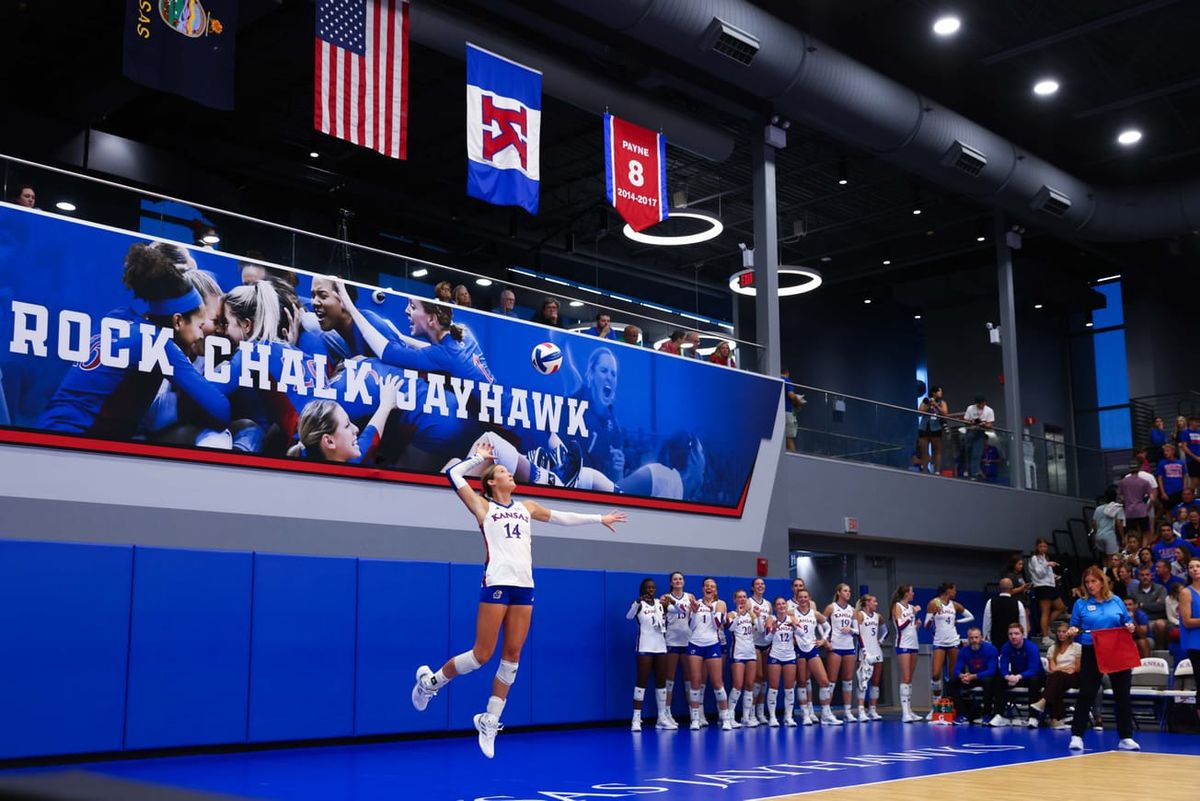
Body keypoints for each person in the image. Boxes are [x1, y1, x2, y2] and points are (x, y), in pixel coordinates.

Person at [410, 440, 625, 758]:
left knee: (512, 657)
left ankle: (489, 719)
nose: (508, 472)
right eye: (500, 471)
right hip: (497, 583)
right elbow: (453, 475)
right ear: (491, 482)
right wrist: (477, 458)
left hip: (524, 587)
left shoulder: (527, 507)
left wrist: (599, 519)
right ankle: (430, 682)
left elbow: (562, 517)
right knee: (482, 655)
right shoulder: (483, 508)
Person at [37, 243, 230, 438]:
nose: (200, 334)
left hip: (47, 429)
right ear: (178, 320)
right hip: (75, 440)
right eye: (199, 325)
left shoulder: (118, 317)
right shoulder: (155, 342)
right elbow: (221, 411)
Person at [1067, 565, 1140, 752]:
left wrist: (1130, 625)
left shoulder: (1116, 600)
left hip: (1116, 649)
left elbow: (1126, 621)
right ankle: (1077, 736)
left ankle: (1126, 737)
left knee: (1122, 694)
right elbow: (1074, 626)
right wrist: (1072, 630)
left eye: (1094, 581)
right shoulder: (1080, 604)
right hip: (1092, 650)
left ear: (1102, 582)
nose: (1090, 585)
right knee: (1086, 694)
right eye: (1087, 582)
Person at [291, 378, 400, 464]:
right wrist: (385, 405)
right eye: (347, 425)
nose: (356, 429)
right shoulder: (355, 462)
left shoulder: (346, 455)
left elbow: (369, 436)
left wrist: (386, 405)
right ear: (329, 441)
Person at [685, 578, 732, 730]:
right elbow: (691, 627)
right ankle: (695, 718)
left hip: (712, 644)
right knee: (696, 682)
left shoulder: (720, 604)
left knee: (717, 682)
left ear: (716, 590)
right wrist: (693, 611)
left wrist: (714, 610)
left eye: (712, 586)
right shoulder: (695, 603)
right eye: (706, 586)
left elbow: (718, 625)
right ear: (702, 588)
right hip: (695, 644)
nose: (709, 588)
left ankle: (725, 718)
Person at [626, 578, 672, 732]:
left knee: (661, 682)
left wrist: (671, 602)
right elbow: (629, 616)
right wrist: (637, 602)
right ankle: (636, 718)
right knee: (641, 682)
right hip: (645, 647)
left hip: (660, 647)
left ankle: (661, 717)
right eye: (647, 588)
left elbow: (680, 612)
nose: (650, 590)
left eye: (653, 588)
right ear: (643, 589)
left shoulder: (660, 603)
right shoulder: (639, 604)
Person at [924, 582, 974, 720]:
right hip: (939, 642)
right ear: (948, 590)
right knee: (935, 674)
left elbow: (971, 616)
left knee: (953, 676)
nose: (955, 592)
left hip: (953, 642)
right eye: (954, 590)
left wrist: (957, 622)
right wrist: (933, 615)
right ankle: (935, 706)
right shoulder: (934, 603)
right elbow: (926, 625)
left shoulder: (955, 605)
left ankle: (952, 707)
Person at [791, 588, 839, 725]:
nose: (803, 599)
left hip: (812, 649)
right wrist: (791, 639)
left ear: (809, 598)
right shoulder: (791, 613)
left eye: (805, 597)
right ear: (796, 598)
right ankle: (806, 714)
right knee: (802, 681)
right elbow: (785, 625)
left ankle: (825, 714)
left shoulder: (815, 614)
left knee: (824, 681)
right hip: (799, 649)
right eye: (800, 597)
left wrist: (823, 640)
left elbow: (828, 627)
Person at [987, 622, 1044, 727]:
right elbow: (1003, 666)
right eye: (1010, 634)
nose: (1013, 636)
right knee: (999, 678)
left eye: (1016, 633)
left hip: (1034, 676)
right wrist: (1007, 676)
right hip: (1016, 676)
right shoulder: (1006, 647)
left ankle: (1033, 717)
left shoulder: (1031, 647)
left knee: (1034, 680)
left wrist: (1018, 677)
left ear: (1022, 635)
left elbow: (1033, 669)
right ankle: (998, 715)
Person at [1028, 622, 1081, 729]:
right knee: (1056, 681)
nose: (1061, 634)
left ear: (1069, 633)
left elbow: (1077, 668)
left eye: (1064, 632)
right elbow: (1053, 668)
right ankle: (1055, 720)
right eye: (1059, 632)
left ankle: (1043, 702)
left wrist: (1061, 669)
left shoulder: (1077, 647)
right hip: (1058, 677)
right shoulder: (1052, 648)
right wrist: (1065, 669)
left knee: (1055, 679)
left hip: (1073, 678)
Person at [725, 589, 763, 727]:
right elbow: (730, 629)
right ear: (735, 600)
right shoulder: (731, 614)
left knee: (749, 685)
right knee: (737, 685)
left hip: (751, 653)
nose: (742, 599)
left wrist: (758, 617)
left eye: (744, 597)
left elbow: (760, 630)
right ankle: (729, 716)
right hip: (738, 653)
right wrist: (738, 616)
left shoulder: (751, 615)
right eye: (739, 597)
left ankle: (746, 717)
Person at [823, 583, 860, 722]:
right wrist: (825, 640)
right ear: (839, 592)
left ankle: (847, 711)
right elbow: (820, 623)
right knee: (831, 680)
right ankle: (826, 712)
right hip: (835, 647)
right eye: (845, 591)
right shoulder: (831, 607)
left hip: (849, 647)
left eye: (849, 591)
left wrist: (850, 629)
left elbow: (857, 631)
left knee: (848, 680)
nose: (848, 593)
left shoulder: (852, 610)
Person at [659, 571, 693, 723]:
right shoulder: (665, 598)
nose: (678, 581)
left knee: (689, 678)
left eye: (680, 579)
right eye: (675, 579)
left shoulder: (690, 597)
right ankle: (666, 713)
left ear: (684, 582)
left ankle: (694, 712)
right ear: (671, 582)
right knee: (669, 679)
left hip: (688, 641)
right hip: (672, 641)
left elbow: (691, 613)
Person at [945, 627, 998, 724]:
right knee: (952, 681)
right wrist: (962, 676)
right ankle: (962, 714)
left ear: (981, 637)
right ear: (968, 639)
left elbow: (991, 671)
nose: (974, 640)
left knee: (989, 681)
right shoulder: (964, 651)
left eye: (976, 637)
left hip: (986, 677)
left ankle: (987, 714)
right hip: (972, 678)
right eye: (971, 638)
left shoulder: (991, 649)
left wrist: (973, 676)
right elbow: (956, 669)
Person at [762, 597, 799, 727]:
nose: (782, 606)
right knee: (773, 688)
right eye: (778, 604)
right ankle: (772, 717)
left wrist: (795, 626)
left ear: (786, 606)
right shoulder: (771, 619)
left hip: (789, 655)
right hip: (775, 655)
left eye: (783, 603)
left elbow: (801, 634)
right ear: (775, 607)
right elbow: (766, 639)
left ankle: (788, 716)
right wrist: (773, 630)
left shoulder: (792, 618)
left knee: (789, 689)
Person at [891, 584, 922, 722]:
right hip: (903, 644)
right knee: (905, 677)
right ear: (906, 594)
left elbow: (909, 627)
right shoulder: (897, 606)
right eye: (911, 591)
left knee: (910, 678)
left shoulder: (910, 607)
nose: (913, 594)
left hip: (913, 644)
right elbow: (899, 626)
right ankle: (904, 713)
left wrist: (916, 626)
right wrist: (912, 614)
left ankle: (909, 710)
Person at [854, 593, 886, 721]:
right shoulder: (860, 615)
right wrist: (864, 650)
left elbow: (886, 631)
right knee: (863, 680)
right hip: (864, 651)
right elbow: (858, 634)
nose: (876, 603)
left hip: (877, 651)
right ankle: (861, 710)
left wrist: (881, 640)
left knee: (876, 682)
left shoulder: (878, 616)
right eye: (874, 601)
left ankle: (873, 709)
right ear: (867, 602)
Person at [747, 577, 773, 724]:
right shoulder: (750, 602)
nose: (760, 586)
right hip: (754, 643)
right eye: (757, 584)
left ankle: (760, 711)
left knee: (764, 679)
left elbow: (769, 624)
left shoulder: (768, 604)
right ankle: (750, 712)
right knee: (757, 676)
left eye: (762, 584)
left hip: (766, 643)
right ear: (752, 587)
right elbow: (752, 622)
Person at [1027, 538, 1063, 643]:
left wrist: (1055, 576)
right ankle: (1045, 637)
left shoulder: (1044, 558)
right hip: (1042, 587)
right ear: (1037, 547)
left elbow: (1047, 573)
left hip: (1050, 586)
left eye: (1045, 546)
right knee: (1045, 612)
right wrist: (1048, 564)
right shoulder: (1034, 558)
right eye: (1041, 546)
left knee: (1060, 607)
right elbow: (1039, 573)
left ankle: (1046, 627)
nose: (1043, 548)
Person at [1178, 556, 1200, 718]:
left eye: (1198, 566)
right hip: (1196, 643)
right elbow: (1187, 621)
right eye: (1191, 567)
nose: (1195, 569)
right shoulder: (1186, 592)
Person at [1128, 565, 1168, 649]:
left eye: (1147, 575)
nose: (1145, 577)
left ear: (1151, 576)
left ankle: (1160, 649)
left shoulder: (1160, 589)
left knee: (1160, 624)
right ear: (1138, 577)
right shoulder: (1132, 590)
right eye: (1142, 575)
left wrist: (1142, 605)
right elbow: (1131, 607)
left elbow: (1162, 606)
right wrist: (1154, 604)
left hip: (1157, 619)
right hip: (1140, 620)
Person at [982, 578, 1028, 645]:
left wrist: (987, 640)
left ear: (999, 588)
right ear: (1012, 588)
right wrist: (1024, 639)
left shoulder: (990, 602)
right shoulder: (1018, 604)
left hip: (995, 641)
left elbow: (987, 624)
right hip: (1013, 643)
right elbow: (1022, 624)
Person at [1117, 460, 1155, 542]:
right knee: (1145, 532)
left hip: (1129, 511)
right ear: (1139, 469)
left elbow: (1121, 497)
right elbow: (1152, 498)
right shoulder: (1144, 482)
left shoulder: (1123, 482)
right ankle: (1143, 549)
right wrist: (1147, 509)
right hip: (1141, 510)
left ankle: (1130, 551)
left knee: (1130, 533)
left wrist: (1126, 504)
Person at [917, 385, 948, 475]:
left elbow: (945, 414)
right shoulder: (926, 400)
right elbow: (919, 412)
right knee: (924, 451)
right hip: (924, 428)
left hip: (936, 428)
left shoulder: (942, 402)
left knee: (937, 450)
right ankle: (925, 470)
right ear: (934, 393)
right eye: (939, 391)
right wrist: (928, 405)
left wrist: (936, 406)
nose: (941, 393)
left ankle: (937, 471)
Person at [962, 394, 995, 480]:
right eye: (979, 404)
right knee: (968, 451)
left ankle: (974, 474)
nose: (980, 405)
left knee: (976, 453)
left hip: (980, 432)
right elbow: (965, 420)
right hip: (970, 431)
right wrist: (972, 422)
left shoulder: (989, 410)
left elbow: (990, 425)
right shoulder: (970, 408)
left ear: (984, 402)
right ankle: (968, 471)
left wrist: (983, 424)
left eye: (982, 403)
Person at [1091, 487, 1126, 557]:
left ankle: (1104, 568)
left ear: (1105, 497)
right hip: (1110, 535)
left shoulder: (1098, 508)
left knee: (1104, 557)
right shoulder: (1118, 508)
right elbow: (1119, 523)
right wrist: (1123, 537)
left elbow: (1094, 523)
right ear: (1116, 497)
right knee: (1112, 557)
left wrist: (1096, 534)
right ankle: (1109, 568)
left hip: (1099, 535)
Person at [781, 367, 805, 453]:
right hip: (787, 412)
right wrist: (798, 401)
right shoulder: (787, 380)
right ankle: (792, 456)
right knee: (789, 438)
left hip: (779, 412)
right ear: (787, 372)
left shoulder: (777, 379)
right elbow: (791, 395)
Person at [1158, 442, 1188, 509]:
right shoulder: (1162, 463)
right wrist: (1163, 492)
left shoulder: (1180, 462)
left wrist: (1184, 488)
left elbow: (1184, 476)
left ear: (1173, 451)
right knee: (1168, 510)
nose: (1165, 453)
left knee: (1181, 509)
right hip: (1168, 491)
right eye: (1164, 451)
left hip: (1179, 490)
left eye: (1167, 451)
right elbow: (1160, 478)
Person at [1180, 415, 1200, 491]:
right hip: (1192, 461)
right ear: (1190, 422)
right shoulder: (1186, 433)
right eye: (1196, 422)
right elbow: (1184, 447)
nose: (1198, 424)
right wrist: (1196, 457)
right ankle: (1190, 497)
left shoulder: (1199, 432)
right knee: (1195, 481)